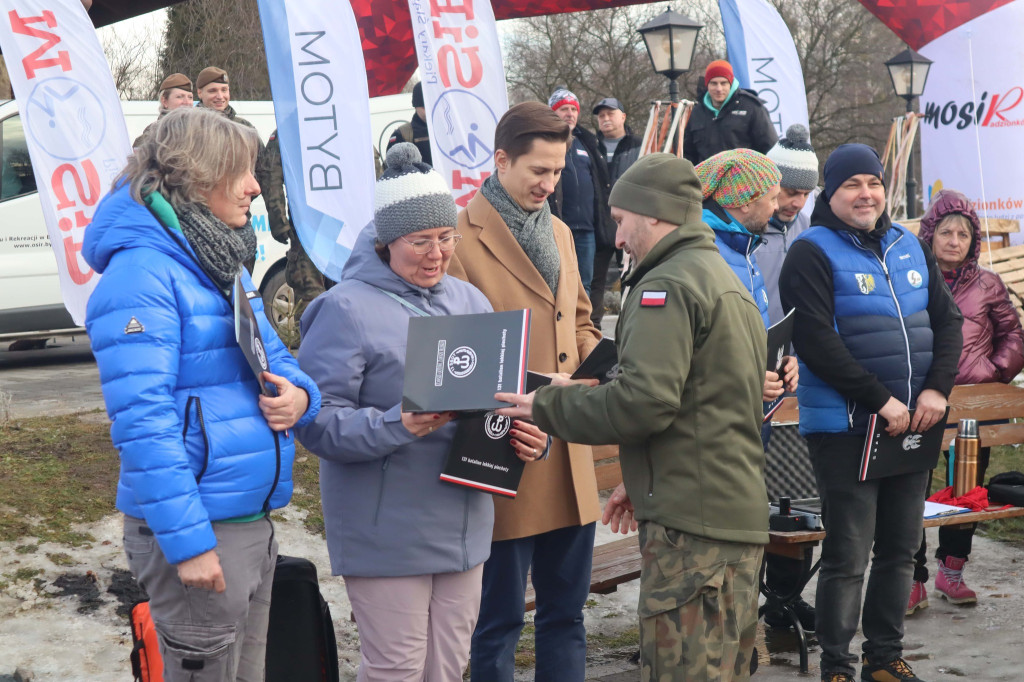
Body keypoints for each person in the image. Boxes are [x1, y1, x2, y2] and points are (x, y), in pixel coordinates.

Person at [495, 151, 770, 681]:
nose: (616, 238)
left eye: (621, 221)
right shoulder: (722, 278)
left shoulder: (664, 288)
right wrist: (643, 480)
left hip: (692, 534)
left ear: (654, 215)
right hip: (728, 517)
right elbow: (706, 408)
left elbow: (643, 404)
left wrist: (547, 404)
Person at [82, 107, 322, 681]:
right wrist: (188, 545)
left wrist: (300, 396)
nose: (256, 187)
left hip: (247, 521)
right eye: (241, 172)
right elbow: (144, 423)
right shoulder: (143, 274)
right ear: (196, 175)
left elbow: (279, 358)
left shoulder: (218, 262)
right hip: (198, 531)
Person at [294, 143, 547, 680]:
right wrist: (396, 423)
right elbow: (314, 422)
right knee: (397, 670)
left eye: (446, 238)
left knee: (450, 668)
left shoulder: (469, 300)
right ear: (386, 244)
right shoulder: (345, 308)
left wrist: (527, 435)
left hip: (465, 523)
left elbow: (496, 403)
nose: (437, 254)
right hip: (386, 528)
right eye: (421, 241)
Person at [779, 143, 963, 682]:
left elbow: (947, 323)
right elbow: (814, 339)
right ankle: (836, 665)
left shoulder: (908, 243)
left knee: (901, 550)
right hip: (847, 427)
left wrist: (936, 392)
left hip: (915, 424)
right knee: (848, 555)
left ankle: (883, 658)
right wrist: (880, 401)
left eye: (874, 183)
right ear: (829, 193)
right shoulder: (810, 251)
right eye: (851, 185)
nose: (866, 194)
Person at [446, 101, 603, 682]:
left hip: (571, 447)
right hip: (504, 450)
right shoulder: (458, 237)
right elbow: (457, 356)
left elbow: (582, 321)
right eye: (539, 170)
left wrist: (597, 367)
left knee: (567, 616)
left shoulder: (561, 231)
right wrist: (519, 407)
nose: (550, 183)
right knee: (498, 621)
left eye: (559, 171)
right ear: (501, 160)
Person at [695, 149, 808, 634]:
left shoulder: (742, 246)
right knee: (713, 558)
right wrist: (747, 377)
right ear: (743, 201)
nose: (779, 203)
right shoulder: (706, 251)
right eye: (771, 194)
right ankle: (703, 645)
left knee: (743, 546)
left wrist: (782, 364)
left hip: (752, 420)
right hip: (714, 436)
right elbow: (692, 348)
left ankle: (735, 641)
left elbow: (755, 330)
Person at [908, 189, 1024, 613]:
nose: (954, 241)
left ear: (974, 241)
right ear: (930, 233)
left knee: (968, 488)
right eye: (946, 232)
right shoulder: (910, 277)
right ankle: (912, 577)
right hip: (920, 402)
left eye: (962, 234)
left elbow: (1013, 334)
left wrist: (994, 374)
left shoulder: (989, 284)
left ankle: (952, 570)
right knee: (912, 487)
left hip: (975, 407)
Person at [756, 125, 821, 632]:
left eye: (802, 193)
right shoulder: (749, 231)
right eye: (786, 190)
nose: (792, 201)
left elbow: (810, 302)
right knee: (754, 491)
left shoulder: (807, 227)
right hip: (749, 371)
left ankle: (784, 596)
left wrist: (797, 353)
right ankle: (752, 592)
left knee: (794, 494)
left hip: (791, 371)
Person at [195, 66, 269, 272]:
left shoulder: (245, 129)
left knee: (243, 293)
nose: (220, 96)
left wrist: (239, 197)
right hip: (202, 225)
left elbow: (264, 172)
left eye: (224, 90)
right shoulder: (190, 129)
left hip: (240, 226)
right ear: (199, 93)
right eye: (213, 91)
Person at [546, 88, 613, 298]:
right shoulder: (545, 142)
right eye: (564, 109)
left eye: (573, 109)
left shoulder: (588, 142)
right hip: (556, 227)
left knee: (584, 285)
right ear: (552, 113)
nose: (570, 114)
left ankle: (579, 329)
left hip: (587, 229)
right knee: (557, 282)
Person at [263, 128, 326, 327]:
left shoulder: (342, 119)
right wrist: (279, 222)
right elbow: (271, 177)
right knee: (310, 300)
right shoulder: (288, 127)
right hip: (306, 228)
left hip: (345, 230)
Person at [761, 124, 819, 326]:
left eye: (806, 194)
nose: (799, 203)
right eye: (791, 192)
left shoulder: (812, 230)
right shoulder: (744, 232)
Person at [591, 96, 642, 327]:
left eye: (610, 113)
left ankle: (630, 326)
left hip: (630, 223)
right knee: (595, 281)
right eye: (601, 115)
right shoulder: (590, 147)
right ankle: (593, 330)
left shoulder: (640, 146)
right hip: (598, 225)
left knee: (631, 277)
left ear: (623, 116)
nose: (605, 118)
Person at [683, 60, 778, 166]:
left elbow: (770, 149)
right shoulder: (697, 112)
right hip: (706, 180)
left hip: (744, 179)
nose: (719, 88)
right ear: (707, 85)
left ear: (731, 83)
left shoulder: (752, 107)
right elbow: (688, 154)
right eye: (714, 83)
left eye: (723, 83)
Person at [132, 73, 193, 147]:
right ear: (164, 101)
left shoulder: (198, 129)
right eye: (179, 97)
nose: (187, 102)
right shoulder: (154, 133)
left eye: (190, 97)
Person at [387, 81, 432, 165]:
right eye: (424, 107)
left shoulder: (450, 131)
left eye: (432, 106)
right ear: (416, 106)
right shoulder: (402, 134)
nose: (429, 111)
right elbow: (394, 170)